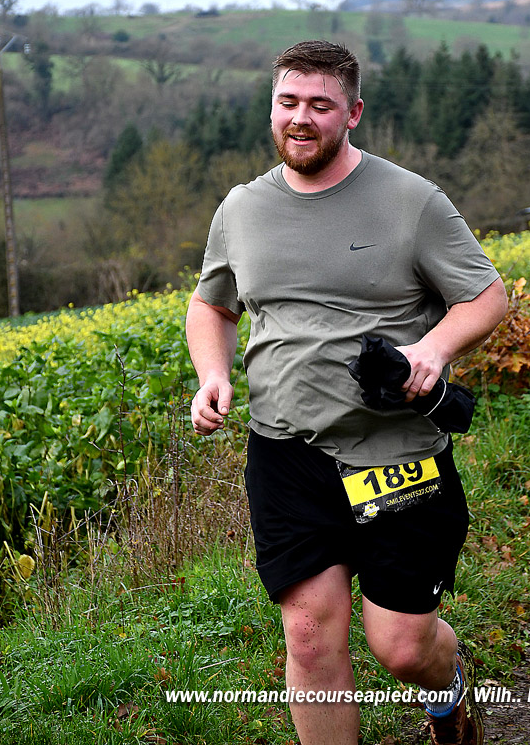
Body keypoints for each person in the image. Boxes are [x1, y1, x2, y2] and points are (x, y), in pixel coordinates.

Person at [186, 40, 508, 745]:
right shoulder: (241, 208)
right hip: (284, 452)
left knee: (402, 649)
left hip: (395, 453)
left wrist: (432, 349)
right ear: (272, 106)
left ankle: (448, 691)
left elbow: (486, 297)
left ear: (353, 112)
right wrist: (213, 374)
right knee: (308, 639)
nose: (300, 118)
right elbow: (211, 304)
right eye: (288, 102)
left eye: (320, 105)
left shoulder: (411, 201)